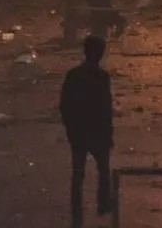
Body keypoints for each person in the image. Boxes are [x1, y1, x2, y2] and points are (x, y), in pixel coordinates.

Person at [59, 35, 114, 228]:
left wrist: (70, 129)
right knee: (103, 171)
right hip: (98, 131)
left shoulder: (73, 75)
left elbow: (64, 105)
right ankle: (104, 204)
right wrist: (109, 134)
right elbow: (106, 109)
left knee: (78, 174)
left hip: (80, 132)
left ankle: (77, 211)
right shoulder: (102, 77)